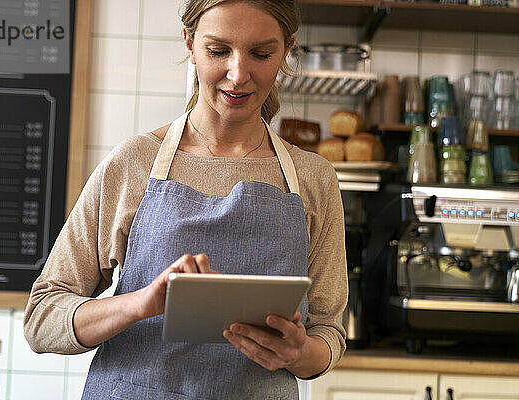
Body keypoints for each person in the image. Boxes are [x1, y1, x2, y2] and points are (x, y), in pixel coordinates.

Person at [23, 0, 348, 398]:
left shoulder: (314, 179)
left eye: (261, 53)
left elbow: (328, 333)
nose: (238, 74)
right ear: (189, 43)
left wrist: (296, 353)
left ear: (286, 49)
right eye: (218, 51)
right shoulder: (134, 162)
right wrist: (140, 303)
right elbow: (42, 319)